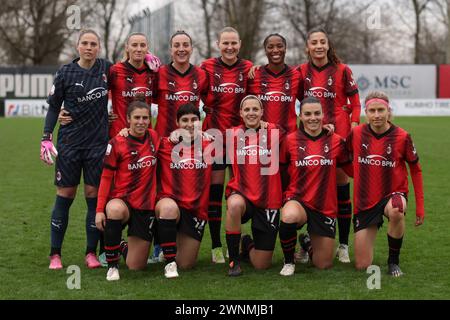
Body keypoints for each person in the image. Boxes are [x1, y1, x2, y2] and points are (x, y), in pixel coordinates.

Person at [40, 29, 111, 270]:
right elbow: (53, 107)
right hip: (69, 145)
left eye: (93, 44)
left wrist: (150, 61)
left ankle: (91, 253)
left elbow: (133, 74)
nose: (89, 47)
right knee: (66, 195)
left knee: (93, 197)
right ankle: (55, 254)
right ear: (77, 46)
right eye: (85, 43)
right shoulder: (65, 72)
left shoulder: (107, 69)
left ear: (99, 48)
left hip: (97, 145)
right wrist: (46, 137)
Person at [298, 28, 361, 263]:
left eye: (322, 42)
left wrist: (353, 125)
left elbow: (355, 103)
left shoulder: (343, 70)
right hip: (310, 136)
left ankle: (343, 245)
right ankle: (308, 240)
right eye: (314, 42)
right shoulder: (301, 71)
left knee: (341, 189)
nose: (318, 46)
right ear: (308, 47)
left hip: (339, 136)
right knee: (311, 189)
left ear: (328, 45)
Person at [345, 91, 425, 277]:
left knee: (397, 209)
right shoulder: (356, 133)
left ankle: (393, 261)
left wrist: (419, 207)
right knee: (362, 265)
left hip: (393, 194)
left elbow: (416, 170)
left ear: (388, 111)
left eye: (381, 110)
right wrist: (356, 173)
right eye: (372, 110)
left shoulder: (402, 136)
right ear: (366, 112)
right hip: (365, 200)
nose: (377, 115)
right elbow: (343, 156)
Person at [278, 97, 350, 276]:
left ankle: (306, 242)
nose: (313, 118)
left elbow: (350, 169)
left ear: (323, 115)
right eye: (308, 114)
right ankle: (289, 262)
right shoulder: (290, 140)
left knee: (323, 263)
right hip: (298, 199)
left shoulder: (336, 141)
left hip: (324, 206)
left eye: (317, 113)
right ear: (300, 116)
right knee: (289, 216)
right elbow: (281, 170)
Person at [201, 27, 253, 263]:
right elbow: (194, 92)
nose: (229, 47)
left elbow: (256, 101)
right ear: (218, 44)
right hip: (214, 137)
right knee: (214, 194)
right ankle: (216, 246)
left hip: (242, 139)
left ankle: (242, 241)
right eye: (225, 43)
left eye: (233, 43)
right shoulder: (207, 67)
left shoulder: (249, 68)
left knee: (243, 192)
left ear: (240, 44)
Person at [95, 101, 160, 281]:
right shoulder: (116, 142)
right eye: (137, 118)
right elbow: (106, 178)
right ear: (128, 119)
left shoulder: (155, 138)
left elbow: (176, 140)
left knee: (136, 266)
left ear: (150, 119)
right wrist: (100, 210)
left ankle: (120, 245)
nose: (141, 122)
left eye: (145, 118)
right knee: (114, 209)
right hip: (122, 202)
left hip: (145, 206)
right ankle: (113, 266)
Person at [225, 95, 283, 276]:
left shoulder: (275, 132)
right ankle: (234, 262)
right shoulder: (231, 134)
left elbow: (300, 133)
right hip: (242, 194)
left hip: (268, 200)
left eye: (255, 109)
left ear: (262, 113)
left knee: (261, 265)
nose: (251, 113)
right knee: (234, 205)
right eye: (247, 110)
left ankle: (247, 243)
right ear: (240, 113)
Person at [155, 103, 215, 278]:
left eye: (194, 120)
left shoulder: (211, 144)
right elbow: (141, 140)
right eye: (185, 120)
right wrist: (124, 131)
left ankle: (170, 247)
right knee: (168, 208)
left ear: (200, 121)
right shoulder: (165, 144)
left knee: (187, 264)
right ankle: (169, 262)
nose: (190, 124)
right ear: (177, 122)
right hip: (171, 202)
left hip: (196, 210)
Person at [153, 30, 208, 137]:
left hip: (191, 139)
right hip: (164, 139)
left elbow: (210, 103)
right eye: (176, 45)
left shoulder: (201, 75)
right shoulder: (159, 73)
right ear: (171, 50)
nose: (181, 49)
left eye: (186, 45)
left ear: (191, 49)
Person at [247, 33, 302, 134]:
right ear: (265, 50)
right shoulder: (255, 75)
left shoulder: (296, 75)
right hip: (261, 137)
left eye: (280, 46)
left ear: (285, 48)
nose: (275, 50)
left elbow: (307, 103)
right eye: (270, 47)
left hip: (288, 137)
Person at [108, 32, 159, 138]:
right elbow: (100, 94)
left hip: (145, 136)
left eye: (142, 45)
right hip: (120, 135)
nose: (139, 49)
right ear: (127, 48)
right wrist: (105, 115)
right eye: (134, 45)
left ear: (147, 48)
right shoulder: (115, 70)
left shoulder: (153, 73)